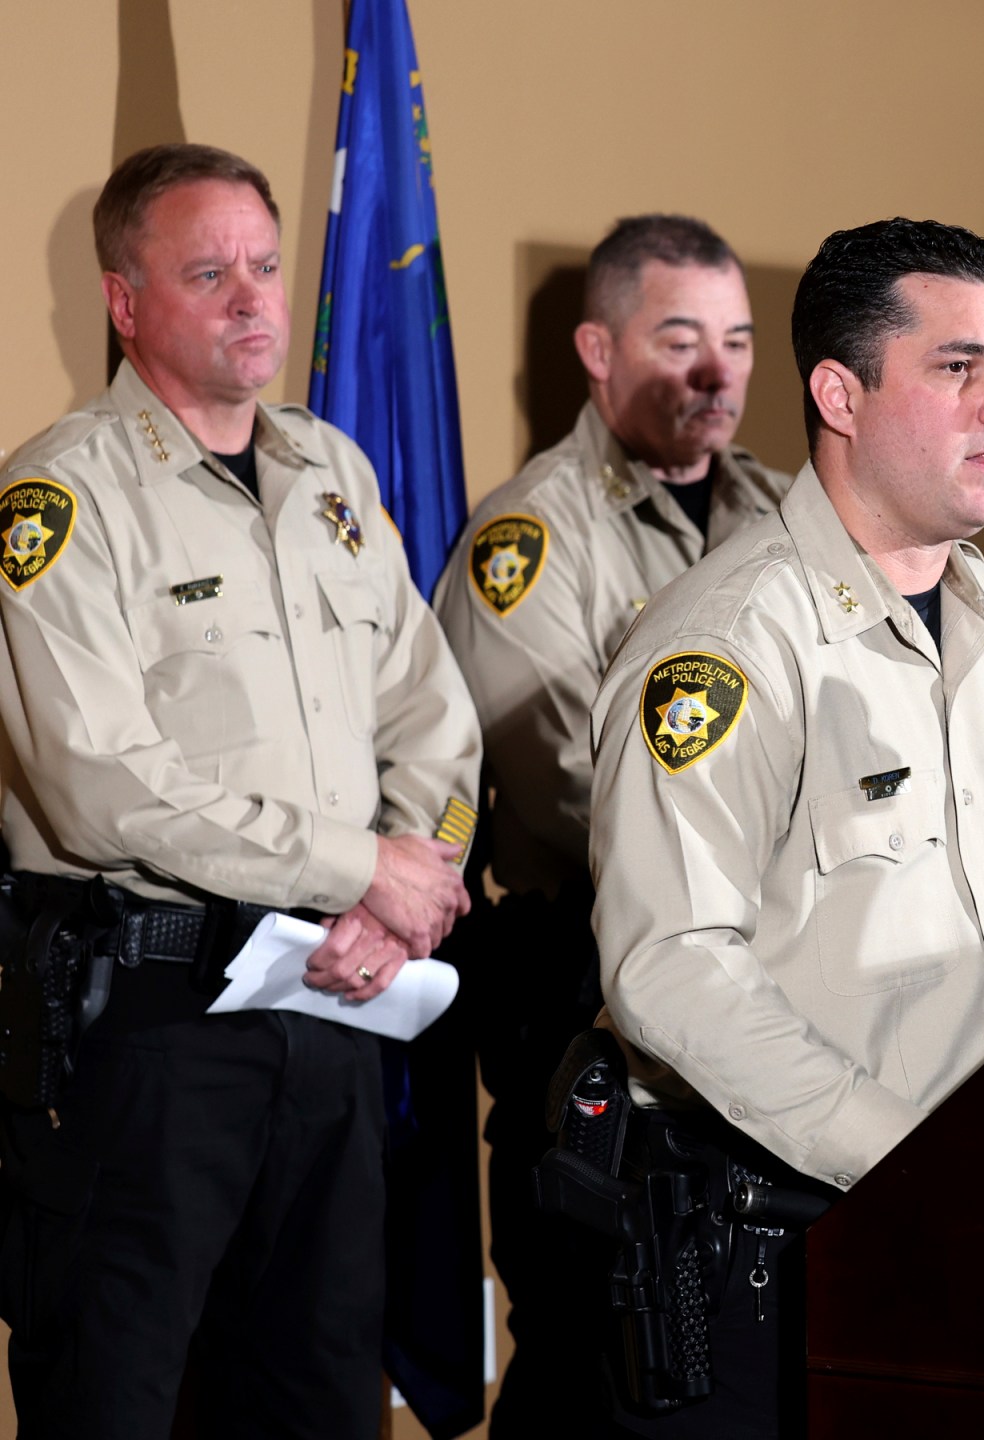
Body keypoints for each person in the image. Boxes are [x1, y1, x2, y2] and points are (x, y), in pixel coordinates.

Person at [583, 218, 984, 1435]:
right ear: (839, 393)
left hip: (980, 1232)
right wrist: (915, 1165)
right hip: (781, 1248)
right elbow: (671, 970)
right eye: (959, 368)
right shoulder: (724, 646)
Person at [0, 142, 481, 1438]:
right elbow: (101, 788)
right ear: (125, 302)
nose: (252, 298)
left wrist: (403, 894)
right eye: (207, 273)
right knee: (117, 1401)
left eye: (265, 266)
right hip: (148, 1036)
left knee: (320, 1401)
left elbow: (430, 710)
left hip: (332, 1007)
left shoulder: (333, 472)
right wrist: (353, 868)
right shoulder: (61, 497)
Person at [429, 214, 790, 1435]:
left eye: (736, 341)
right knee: (592, 1342)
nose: (716, 371)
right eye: (679, 337)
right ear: (597, 347)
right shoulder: (531, 542)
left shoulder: (790, 522)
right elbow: (568, 793)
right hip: (582, 991)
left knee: (725, 1351)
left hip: (764, 988)